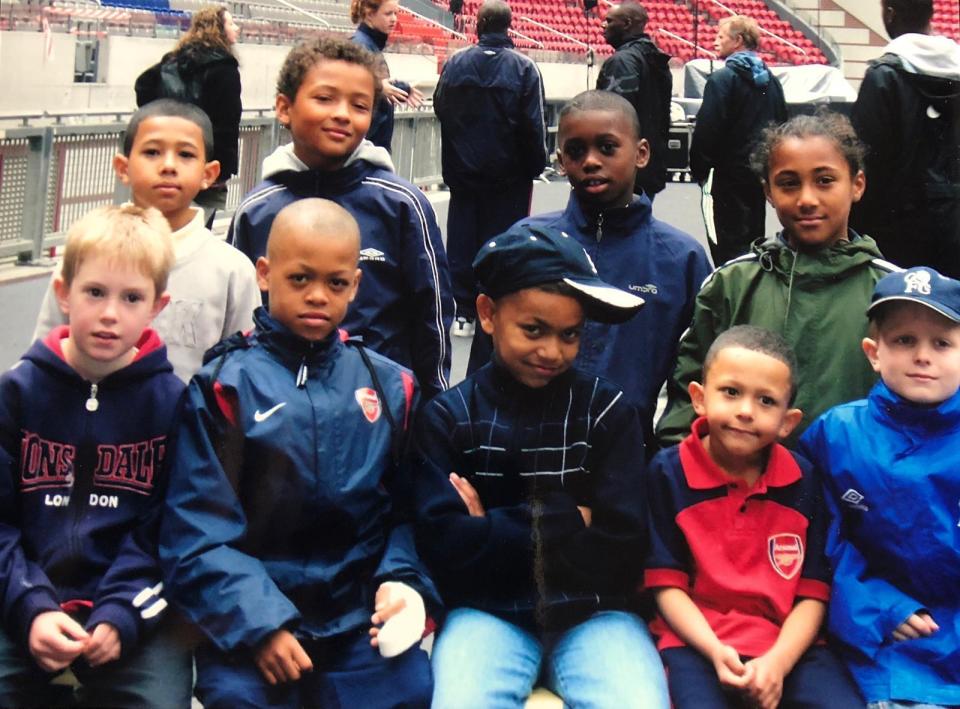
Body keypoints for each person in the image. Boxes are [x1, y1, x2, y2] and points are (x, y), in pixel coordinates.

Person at [160, 199, 439, 708]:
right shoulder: (224, 385)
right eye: (300, 279)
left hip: (359, 622)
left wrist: (402, 582)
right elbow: (196, 529)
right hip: (254, 621)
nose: (317, 297)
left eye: (336, 284)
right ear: (265, 275)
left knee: (412, 689)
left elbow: (411, 511)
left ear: (355, 286)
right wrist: (260, 624)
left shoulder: (392, 385)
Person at [414, 223, 670, 708]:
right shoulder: (447, 418)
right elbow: (444, 550)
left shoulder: (609, 412)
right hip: (486, 615)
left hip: (596, 615)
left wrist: (489, 526)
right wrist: (572, 517)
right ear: (487, 314)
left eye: (570, 335)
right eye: (533, 330)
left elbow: (623, 545)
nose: (552, 351)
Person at [0, 205, 191, 708]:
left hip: (132, 608)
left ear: (157, 306)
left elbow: (172, 531)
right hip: (19, 598)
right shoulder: (16, 393)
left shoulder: (173, 404)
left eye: (131, 298)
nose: (110, 313)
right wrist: (30, 606)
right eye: (94, 293)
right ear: (64, 293)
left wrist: (125, 612)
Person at [646, 326, 864, 709]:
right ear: (698, 398)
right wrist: (715, 650)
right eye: (731, 392)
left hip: (786, 644)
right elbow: (666, 585)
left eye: (766, 401)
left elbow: (812, 593)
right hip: (696, 642)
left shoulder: (803, 479)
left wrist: (778, 663)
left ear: (788, 422)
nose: (745, 411)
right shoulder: (668, 473)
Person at [229, 36, 453, 402]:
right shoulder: (257, 211)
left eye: (360, 105)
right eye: (325, 99)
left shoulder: (402, 205)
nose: (343, 114)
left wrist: (433, 411)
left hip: (379, 409)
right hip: (277, 408)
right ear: (284, 108)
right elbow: (239, 319)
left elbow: (432, 314)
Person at [657, 112, 898, 448]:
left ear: (857, 184)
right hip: (743, 490)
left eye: (825, 180)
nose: (807, 199)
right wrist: (685, 475)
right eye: (788, 183)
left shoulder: (891, 294)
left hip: (854, 493)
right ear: (768, 191)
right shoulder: (732, 284)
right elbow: (688, 397)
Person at [493, 90, 710, 446]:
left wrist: (668, 450)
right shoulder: (527, 241)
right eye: (576, 152)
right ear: (561, 161)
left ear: (641, 153)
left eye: (607, 148)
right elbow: (492, 360)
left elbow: (695, 374)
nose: (591, 161)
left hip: (635, 457)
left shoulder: (682, 259)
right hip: (531, 449)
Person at [799, 267, 960, 706]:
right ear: (873, 352)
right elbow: (818, 541)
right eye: (904, 340)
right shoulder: (836, 435)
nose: (922, 356)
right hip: (881, 640)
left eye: (942, 343)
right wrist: (879, 606)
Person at [35, 99, 261, 384]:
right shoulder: (85, 255)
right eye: (152, 152)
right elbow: (45, 356)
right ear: (123, 167)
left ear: (209, 174)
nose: (168, 166)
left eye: (186, 155)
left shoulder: (232, 269)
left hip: (190, 426)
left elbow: (243, 370)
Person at [434, 0, 548, 337]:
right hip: (509, 178)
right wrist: (534, 166)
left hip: (464, 174)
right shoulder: (524, 68)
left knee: (462, 241)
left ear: (477, 26)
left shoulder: (455, 64)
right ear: (507, 27)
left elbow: (442, 108)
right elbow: (533, 125)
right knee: (504, 241)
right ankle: (497, 306)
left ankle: (464, 312)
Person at [849, 0, 960, 278]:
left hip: (897, 236)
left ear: (890, 14)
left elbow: (865, 163)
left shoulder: (884, 77)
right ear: (931, 16)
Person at [690, 14, 787, 266]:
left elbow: (707, 129)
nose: (714, 42)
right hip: (758, 176)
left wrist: (699, 169)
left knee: (723, 240)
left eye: (720, 36)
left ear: (738, 40)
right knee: (753, 238)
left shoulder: (722, 80)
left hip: (726, 178)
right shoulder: (772, 82)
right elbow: (781, 126)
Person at [135, 6, 243, 226]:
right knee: (197, 234)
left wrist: (159, 114)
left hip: (168, 154)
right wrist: (221, 168)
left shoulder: (174, 60)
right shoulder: (224, 68)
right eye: (231, 23)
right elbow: (226, 124)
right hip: (206, 163)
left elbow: (143, 84)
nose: (237, 28)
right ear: (218, 29)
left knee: (163, 227)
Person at [598, 1, 673, 200]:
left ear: (626, 23)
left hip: (623, 169)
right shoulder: (656, 60)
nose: (602, 25)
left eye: (609, 20)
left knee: (614, 227)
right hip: (647, 162)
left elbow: (613, 119)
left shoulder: (622, 62)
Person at [350, 0, 424, 152]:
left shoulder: (370, 46)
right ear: (370, 14)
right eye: (388, 13)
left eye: (396, 13)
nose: (394, 19)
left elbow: (378, 84)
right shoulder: (359, 46)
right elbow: (351, 88)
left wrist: (400, 89)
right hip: (364, 150)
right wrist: (377, 87)